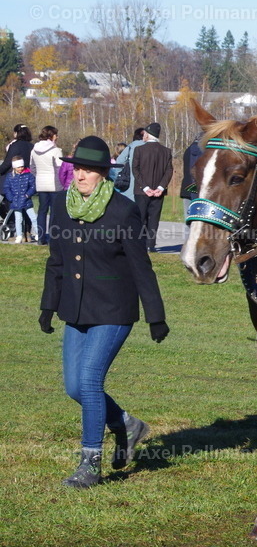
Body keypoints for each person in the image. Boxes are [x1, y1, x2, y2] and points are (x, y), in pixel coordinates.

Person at [38, 135, 168, 488]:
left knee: (90, 380)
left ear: (103, 174)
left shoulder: (123, 211)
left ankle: (90, 465)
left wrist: (156, 315)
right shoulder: (63, 207)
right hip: (75, 310)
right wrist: (48, 305)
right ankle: (127, 423)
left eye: (89, 170)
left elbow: (142, 267)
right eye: (77, 168)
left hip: (113, 309)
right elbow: (57, 262)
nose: (80, 175)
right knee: (73, 386)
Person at [132, 123, 173, 252]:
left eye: (144, 133)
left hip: (141, 190)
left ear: (148, 134)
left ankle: (141, 243)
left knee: (141, 218)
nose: (143, 135)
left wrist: (144, 187)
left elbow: (135, 169)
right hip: (158, 191)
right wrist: (161, 187)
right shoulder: (166, 151)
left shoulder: (139, 150)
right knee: (154, 218)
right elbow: (169, 171)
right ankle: (151, 245)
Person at [31, 126, 64, 245]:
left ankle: (41, 237)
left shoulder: (34, 150)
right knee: (54, 211)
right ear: (51, 136)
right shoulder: (55, 150)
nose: (57, 137)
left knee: (42, 211)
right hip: (54, 184)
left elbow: (32, 168)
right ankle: (52, 238)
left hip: (40, 183)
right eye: (56, 135)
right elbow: (60, 168)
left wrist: (39, 176)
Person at [3, 157, 36, 242]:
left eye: (22, 166)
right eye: (18, 167)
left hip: (26, 200)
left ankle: (37, 233)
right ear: (14, 167)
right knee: (18, 219)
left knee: (33, 218)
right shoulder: (10, 176)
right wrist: (11, 198)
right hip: (16, 201)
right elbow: (7, 188)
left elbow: (33, 186)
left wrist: (27, 195)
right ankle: (19, 235)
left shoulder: (28, 175)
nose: (20, 168)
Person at [0, 123, 34, 195]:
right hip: (28, 177)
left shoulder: (15, 146)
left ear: (16, 133)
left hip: (15, 178)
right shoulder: (32, 146)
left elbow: (7, 163)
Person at [111, 128, 145, 199]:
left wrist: (120, 175)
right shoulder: (151, 148)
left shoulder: (130, 147)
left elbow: (119, 162)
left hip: (130, 188)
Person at [180, 133, 202, 234]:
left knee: (188, 219)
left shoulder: (188, 150)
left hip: (186, 187)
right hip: (199, 189)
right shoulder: (204, 151)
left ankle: (188, 243)